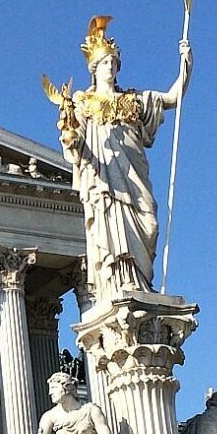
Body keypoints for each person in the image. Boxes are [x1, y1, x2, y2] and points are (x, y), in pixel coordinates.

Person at [54, 15, 192, 300]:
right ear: (94, 68)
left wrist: (186, 65)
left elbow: (173, 97)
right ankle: (116, 285)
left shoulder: (134, 99)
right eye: (106, 63)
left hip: (133, 175)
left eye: (114, 64)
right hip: (105, 182)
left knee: (149, 223)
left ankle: (140, 283)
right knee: (111, 232)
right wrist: (71, 138)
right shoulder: (84, 103)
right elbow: (74, 141)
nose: (110, 68)